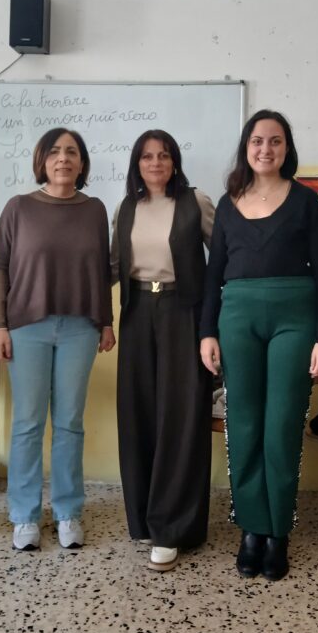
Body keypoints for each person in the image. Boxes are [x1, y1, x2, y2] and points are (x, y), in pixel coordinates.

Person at [200, 110, 318, 580]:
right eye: (257, 141)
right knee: (243, 425)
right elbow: (213, 274)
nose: (265, 149)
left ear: (286, 148)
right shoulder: (228, 203)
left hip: (294, 318)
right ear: (246, 147)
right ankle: (251, 529)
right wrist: (207, 331)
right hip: (237, 318)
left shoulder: (306, 202)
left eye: (275, 141)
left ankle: (278, 531)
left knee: (281, 425)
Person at [0, 128, 115, 552]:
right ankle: (24, 515)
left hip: (80, 327)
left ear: (82, 163)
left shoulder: (94, 210)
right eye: (56, 152)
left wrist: (106, 322)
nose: (64, 158)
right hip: (27, 327)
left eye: (72, 152)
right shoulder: (19, 207)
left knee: (69, 423)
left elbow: (102, 271)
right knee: (28, 423)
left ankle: (67, 511)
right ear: (42, 160)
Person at [111, 130, 214, 572]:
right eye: (147, 156)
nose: (156, 163)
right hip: (137, 312)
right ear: (137, 164)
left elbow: (223, 259)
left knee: (181, 416)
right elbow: (112, 265)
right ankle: (145, 519)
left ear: (174, 162)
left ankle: (173, 527)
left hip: (182, 311)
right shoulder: (127, 207)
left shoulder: (196, 202)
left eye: (164, 155)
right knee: (138, 413)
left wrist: (215, 325)